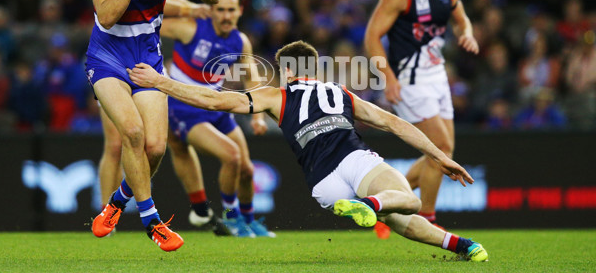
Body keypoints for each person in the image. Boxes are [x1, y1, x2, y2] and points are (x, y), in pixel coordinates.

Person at [127, 40, 488, 262]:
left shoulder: (275, 96)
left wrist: (161, 82)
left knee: (400, 222)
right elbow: (395, 123)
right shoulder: (341, 93)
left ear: (285, 71)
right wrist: (440, 156)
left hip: (323, 185)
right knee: (407, 202)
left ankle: (462, 245)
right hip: (354, 160)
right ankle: (372, 205)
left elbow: (217, 100)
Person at [87, 0, 219, 252]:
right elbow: (107, 16)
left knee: (156, 147)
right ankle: (152, 220)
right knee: (130, 132)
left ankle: (117, 202)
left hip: (146, 59)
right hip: (107, 58)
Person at [364, 0, 479, 233]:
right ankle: (428, 220)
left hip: (437, 76)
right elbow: (372, 37)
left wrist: (466, 33)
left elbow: (461, 19)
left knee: (444, 153)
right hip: (409, 80)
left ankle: (384, 202)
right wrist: (387, 77)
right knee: (438, 148)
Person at [161, 0, 274, 237]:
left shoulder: (240, 42)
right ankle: (231, 218)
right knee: (231, 155)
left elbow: (252, 80)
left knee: (246, 169)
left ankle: (247, 220)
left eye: (231, 10)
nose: (226, 15)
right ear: (211, 9)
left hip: (217, 104)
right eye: (220, 9)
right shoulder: (190, 28)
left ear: (240, 11)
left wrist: (258, 117)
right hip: (184, 108)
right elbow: (148, 24)